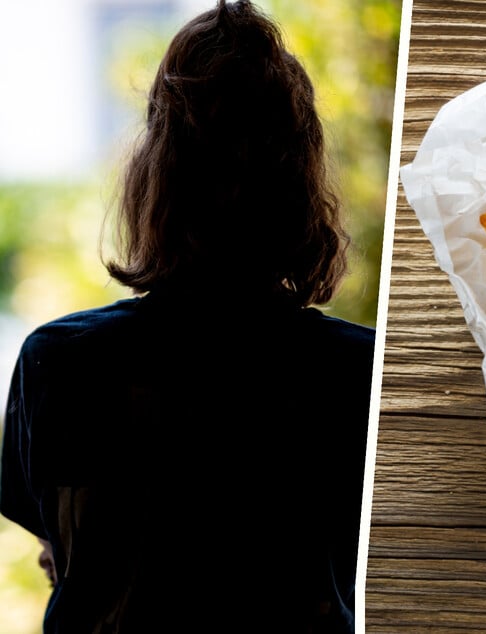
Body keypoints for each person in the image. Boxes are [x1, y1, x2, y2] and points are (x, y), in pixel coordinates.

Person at [0, 1, 375, 632]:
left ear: (155, 176)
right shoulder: (359, 372)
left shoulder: (59, 361)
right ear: (302, 180)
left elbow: (63, 550)